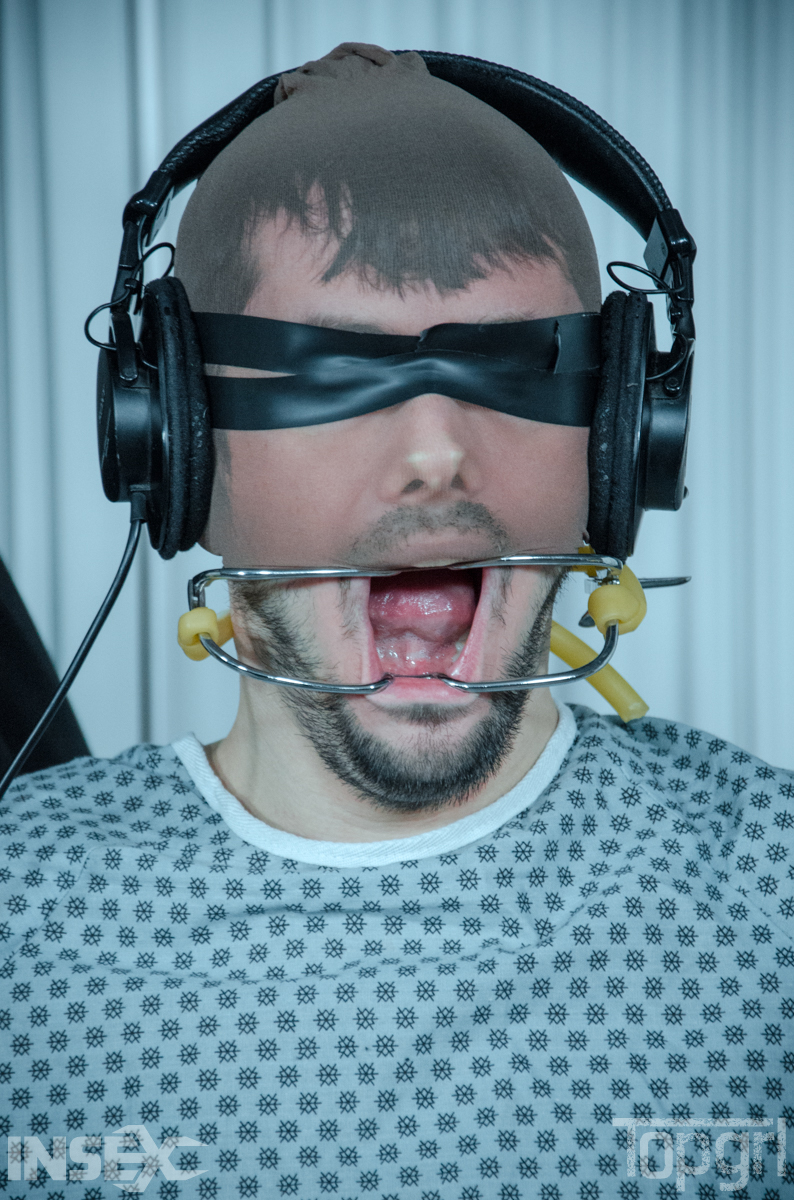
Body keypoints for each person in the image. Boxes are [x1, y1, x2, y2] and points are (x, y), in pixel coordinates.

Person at [1, 44, 791, 1198]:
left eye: (518, 369)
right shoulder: (20, 911)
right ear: (171, 441)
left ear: (621, 442)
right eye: (328, 373)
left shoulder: (769, 893)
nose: (433, 455)